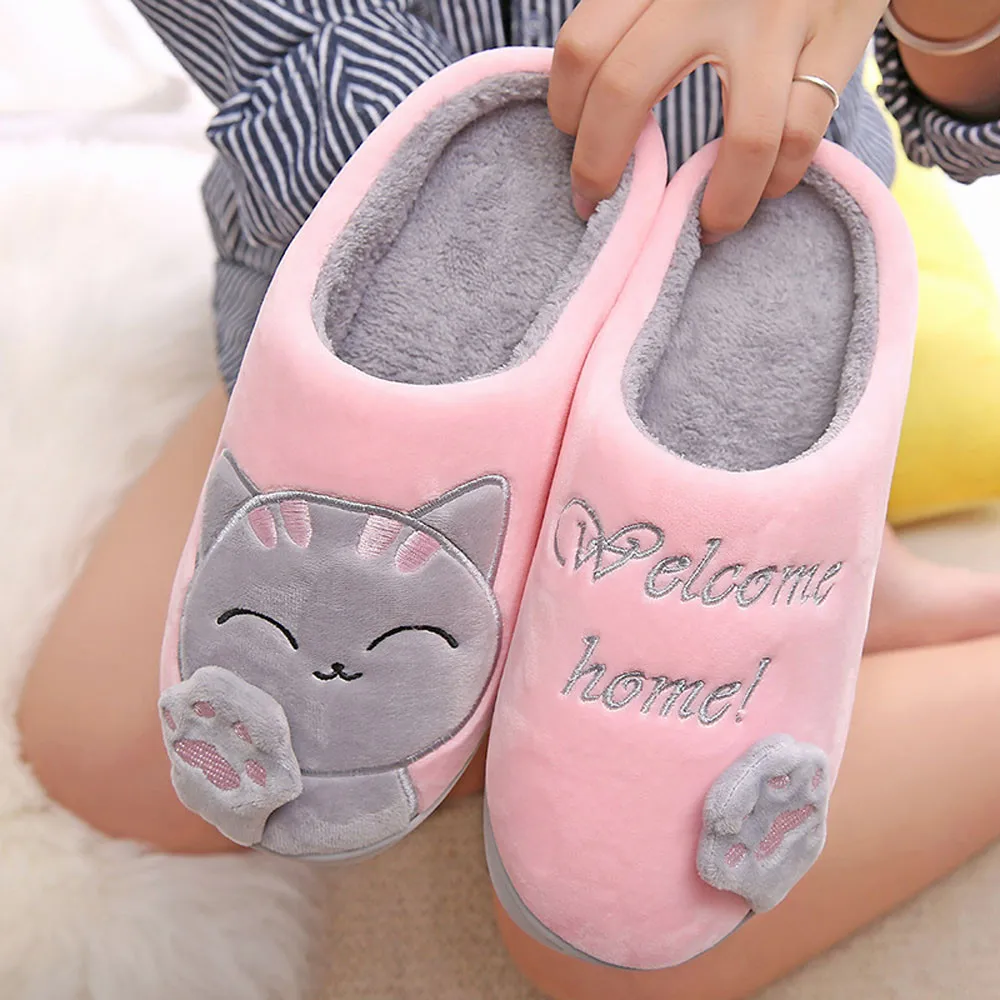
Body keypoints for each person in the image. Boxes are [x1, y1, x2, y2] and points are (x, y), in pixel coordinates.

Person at [16, 1, 1000, 996]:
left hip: (747, 249)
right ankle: (597, 597)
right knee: (94, 752)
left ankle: (826, 573)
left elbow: (962, 100)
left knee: (603, 936)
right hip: (392, 233)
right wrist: (430, 140)